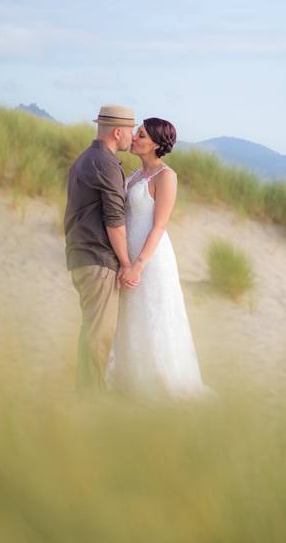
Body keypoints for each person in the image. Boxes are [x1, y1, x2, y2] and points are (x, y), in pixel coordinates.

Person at [105, 117, 215, 401]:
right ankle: (128, 381)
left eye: (140, 135)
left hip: (151, 258)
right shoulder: (133, 176)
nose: (135, 138)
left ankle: (158, 384)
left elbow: (159, 225)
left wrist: (139, 264)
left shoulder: (166, 177)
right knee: (130, 316)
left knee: (154, 316)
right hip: (127, 255)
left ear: (154, 143)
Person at [64, 105, 135, 393]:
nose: (132, 136)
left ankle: (86, 391)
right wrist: (127, 263)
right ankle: (90, 398)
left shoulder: (85, 158)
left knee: (92, 328)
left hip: (81, 255)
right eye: (130, 130)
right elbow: (115, 221)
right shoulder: (105, 163)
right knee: (100, 333)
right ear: (118, 132)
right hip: (97, 257)